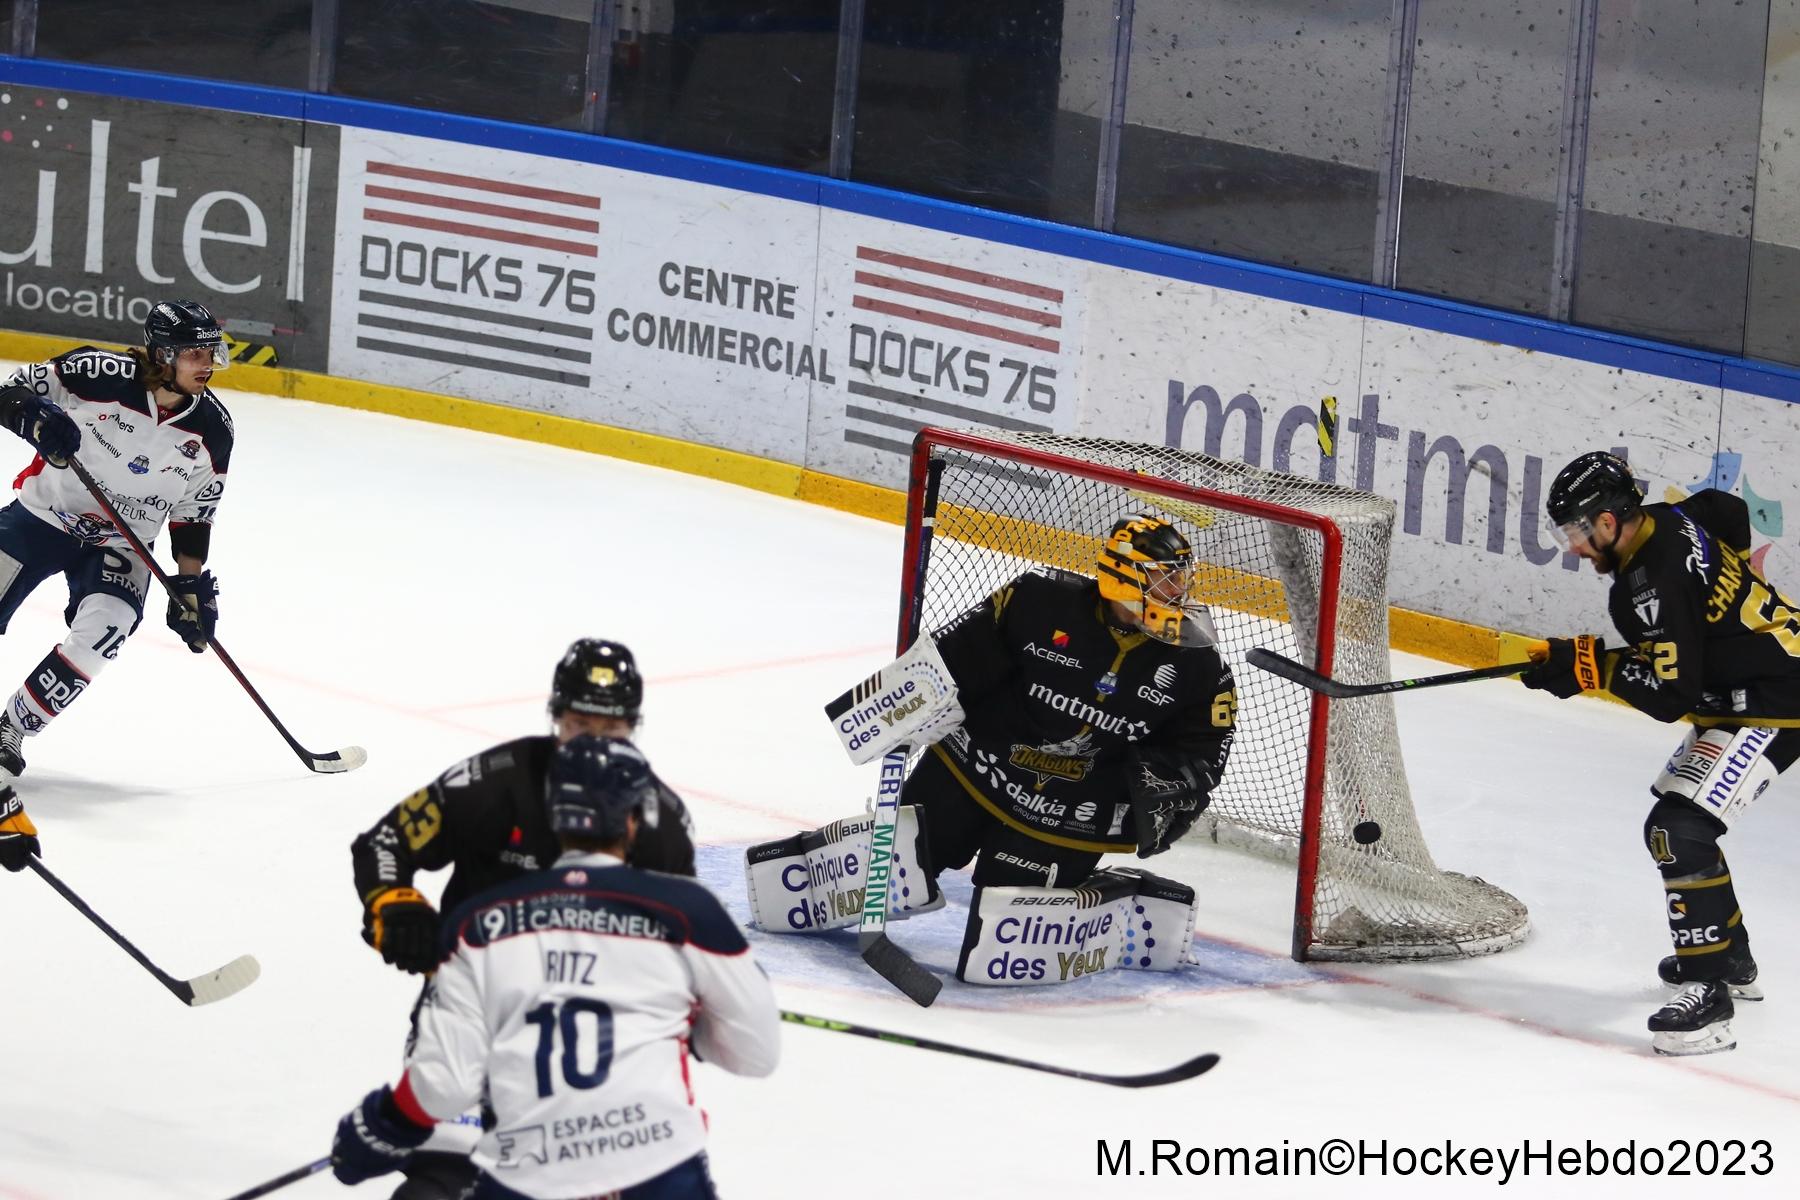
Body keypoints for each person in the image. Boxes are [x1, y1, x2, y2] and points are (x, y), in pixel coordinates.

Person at [331, 735, 779, 1200]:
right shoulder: (689, 909)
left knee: (436, 1186)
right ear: (632, 821)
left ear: (554, 819)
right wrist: (687, 1021)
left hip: (527, 1163)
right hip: (657, 1163)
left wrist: (379, 1128)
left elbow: (446, 1084)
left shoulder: (480, 923)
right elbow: (756, 1053)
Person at [350, 637, 696, 1199]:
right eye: (580, 724)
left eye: (610, 729)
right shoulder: (494, 782)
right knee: (444, 1182)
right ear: (555, 717)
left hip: (587, 1043)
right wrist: (396, 905)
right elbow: (385, 843)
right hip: (471, 1017)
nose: (595, 743)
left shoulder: (663, 826)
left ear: (633, 727)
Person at [1525, 450, 1797, 1056]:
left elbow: (1672, 696)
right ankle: (1730, 958)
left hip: (1774, 700)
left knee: (1679, 831)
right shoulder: (1675, 518)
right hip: (1758, 682)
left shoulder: (1648, 588)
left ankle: (1708, 994)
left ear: (1608, 520)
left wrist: (1592, 669)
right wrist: (1718, 611)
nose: (1574, 547)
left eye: (1576, 531)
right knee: (1677, 824)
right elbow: (1725, 509)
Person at [903, 513, 1237, 891]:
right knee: (891, 877)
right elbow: (955, 657)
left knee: (1006, 917)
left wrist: (1176, 782)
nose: (1179, 588)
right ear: (1124, 575)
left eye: (1182, 576)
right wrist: (904, 701)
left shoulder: (1198, 663)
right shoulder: (1038, 600)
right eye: (1166, 577)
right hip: (970, 771)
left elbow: (1205, 746)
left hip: (1071, 815)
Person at [0, 300, 233, 791]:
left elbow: (194, 513)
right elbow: (9, 392)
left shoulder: (214, 429)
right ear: (164, 354)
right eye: (195, 353)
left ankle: (12, 729)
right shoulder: (95, 373)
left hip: (123, 544)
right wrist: (35, 419)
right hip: (43, 516)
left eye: (212, 352)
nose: (208, 364)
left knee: (106, 632)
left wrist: (189, 586)